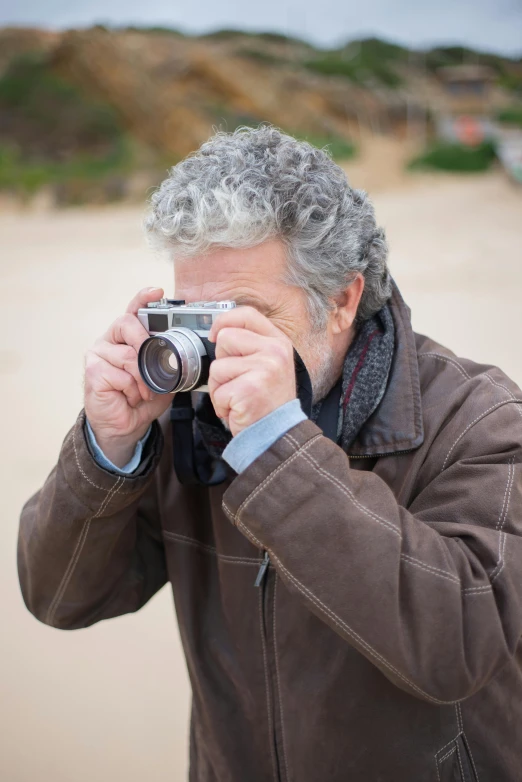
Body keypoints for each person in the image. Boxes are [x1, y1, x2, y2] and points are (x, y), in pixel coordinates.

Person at [18, 125, 522, 781]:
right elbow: (60, 597)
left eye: (246, 316)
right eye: (194, 317)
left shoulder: (480, 419)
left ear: (341, 299)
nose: (211, 349)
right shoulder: (183, 423)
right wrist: (109, 447)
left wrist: (275, 445)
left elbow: (458, 645)